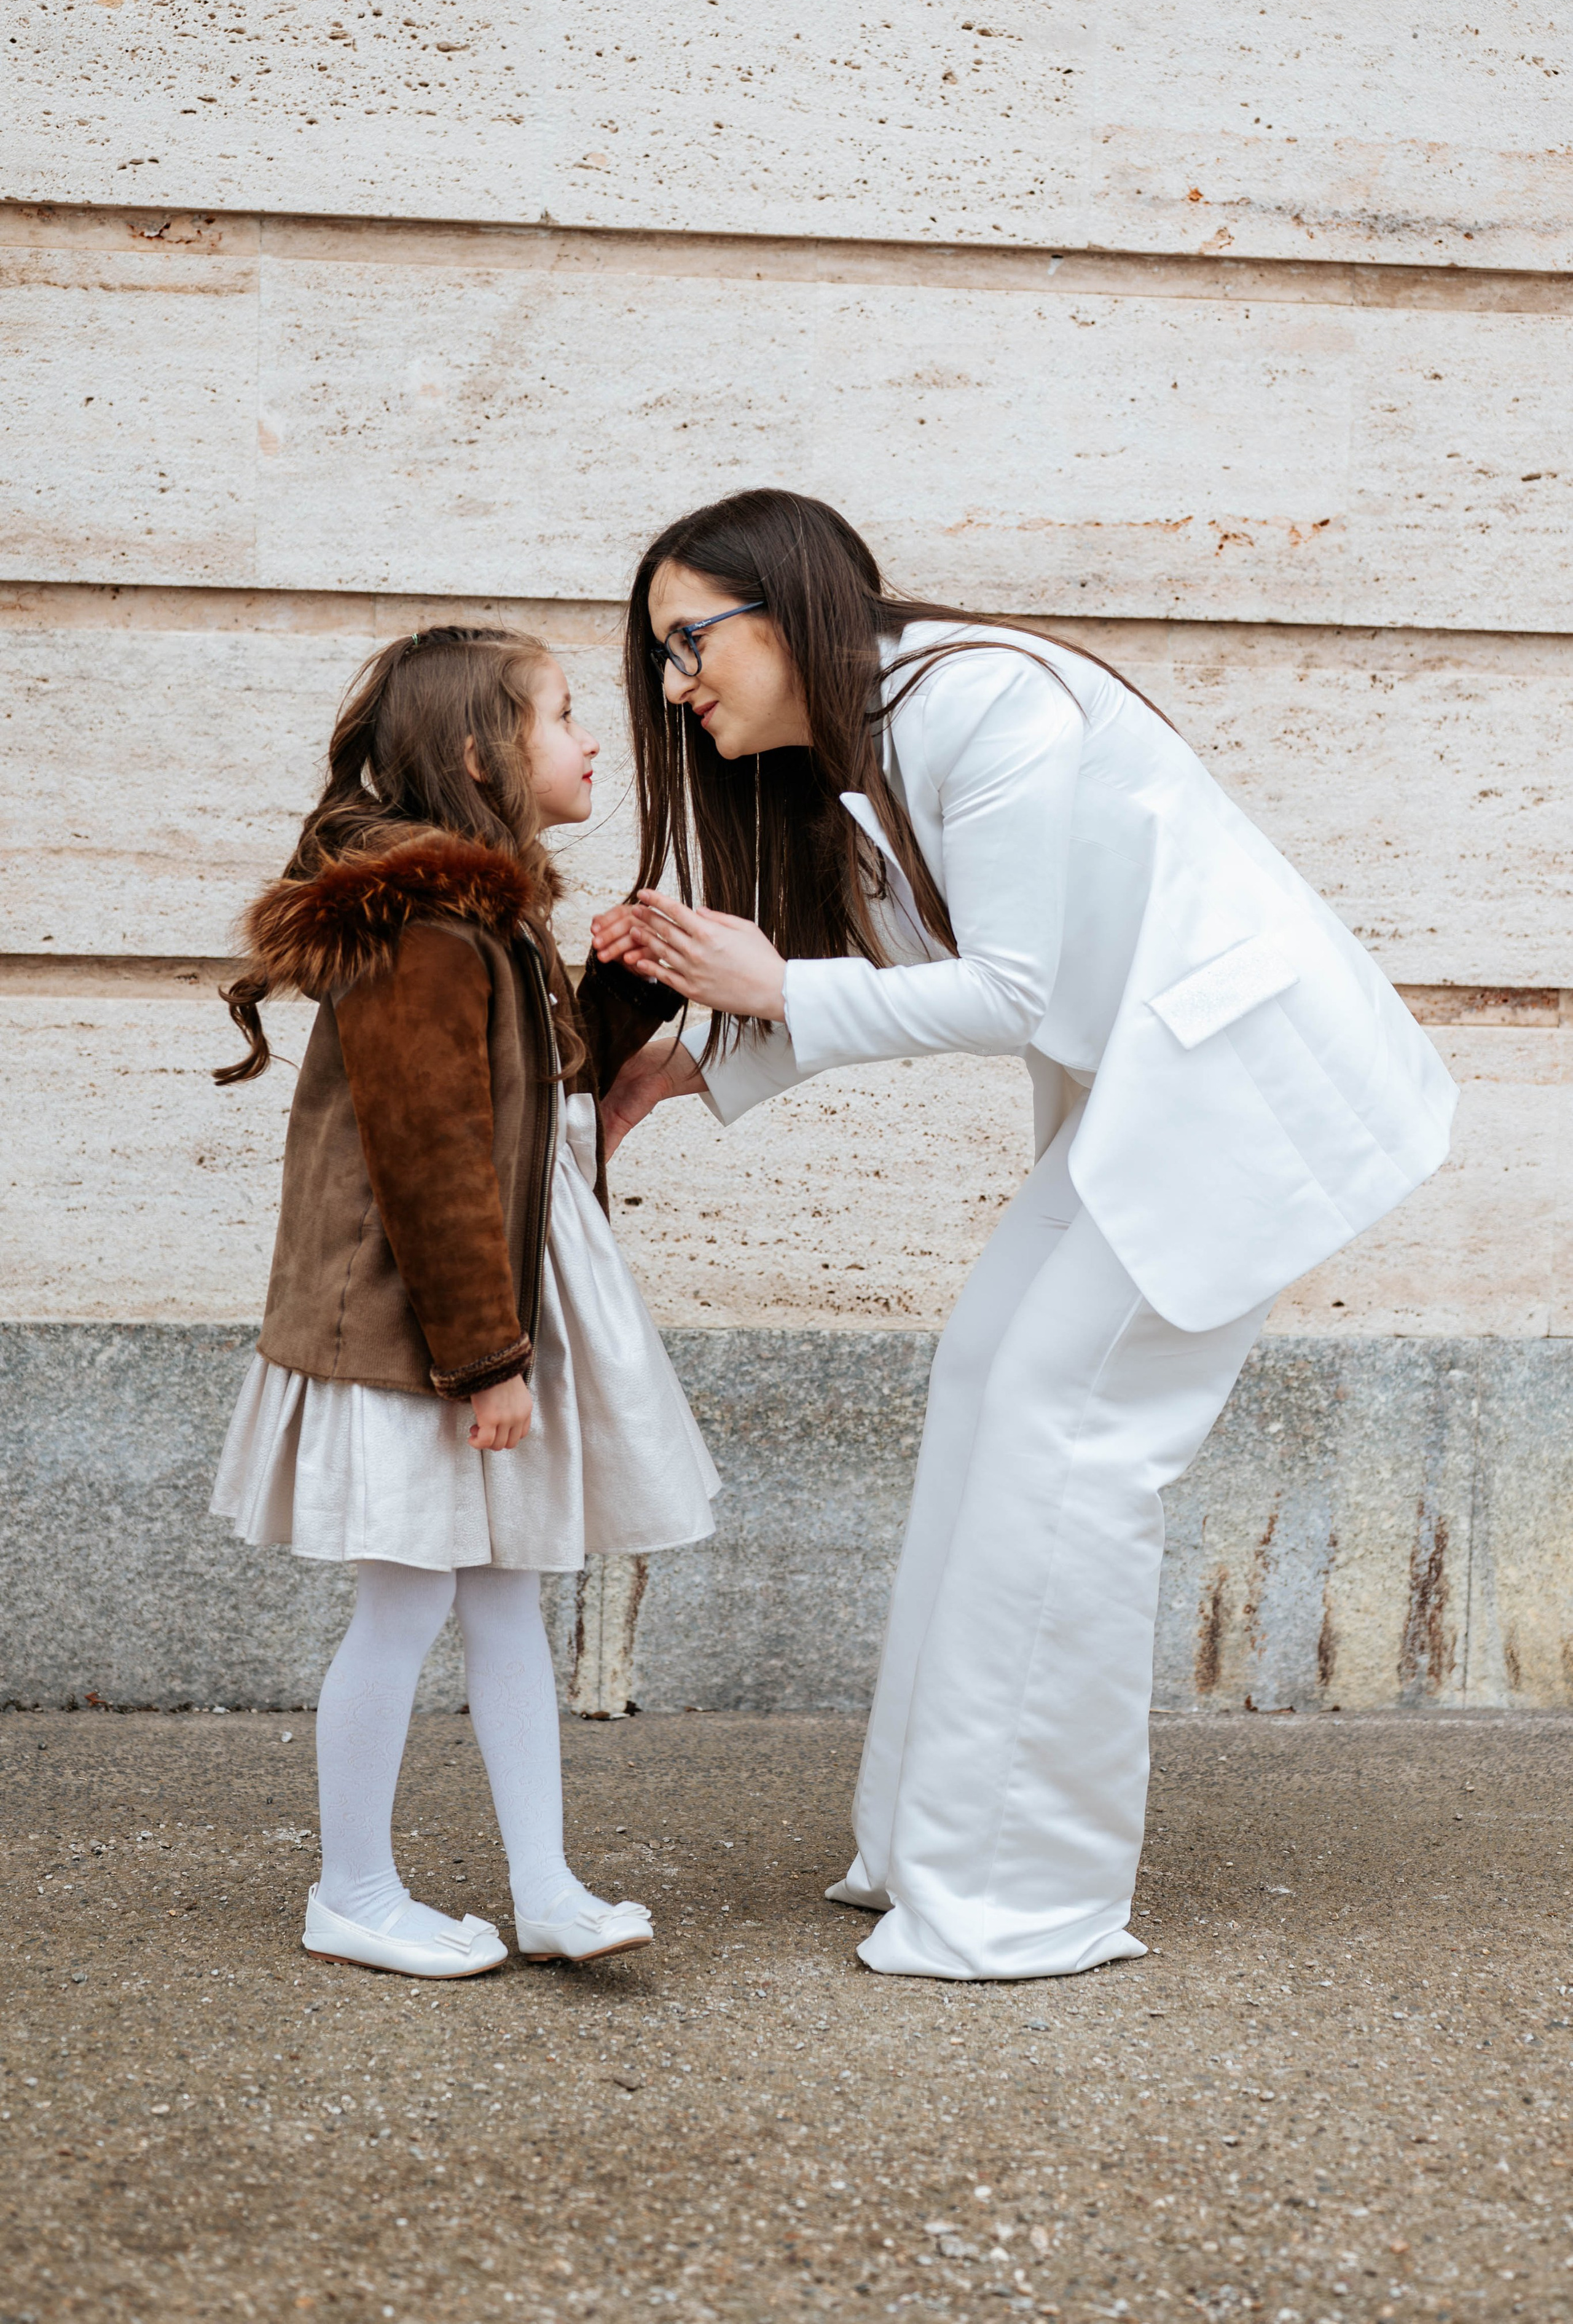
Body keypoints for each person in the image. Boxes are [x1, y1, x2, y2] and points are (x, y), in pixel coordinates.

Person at [590, 489, 1457, 1984]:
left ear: (788, 604)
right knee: (989, 1383)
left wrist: (766, 987)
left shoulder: (980, 701)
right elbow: (896, 962)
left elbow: (1004, 990)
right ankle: (930, 1849)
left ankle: (1019, 1901)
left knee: (1067, 1437)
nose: (675, 684)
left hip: (1235, 1092)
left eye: (688, 642)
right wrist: (687, 1058)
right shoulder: (877, 747)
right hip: (1147, 1095)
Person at [210, 626, 718, 1979]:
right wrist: (484, 1358)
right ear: (484, 753)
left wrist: (607, 995)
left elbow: (526, 1108)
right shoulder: (421, 926)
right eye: (564, 715)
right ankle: (353, 1890)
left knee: (503, 1597)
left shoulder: (483, 917)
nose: (593, 738)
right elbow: (429, 1153)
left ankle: (544, 1887)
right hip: (422, 1328)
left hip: (477, 1314)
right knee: (405, 1604)